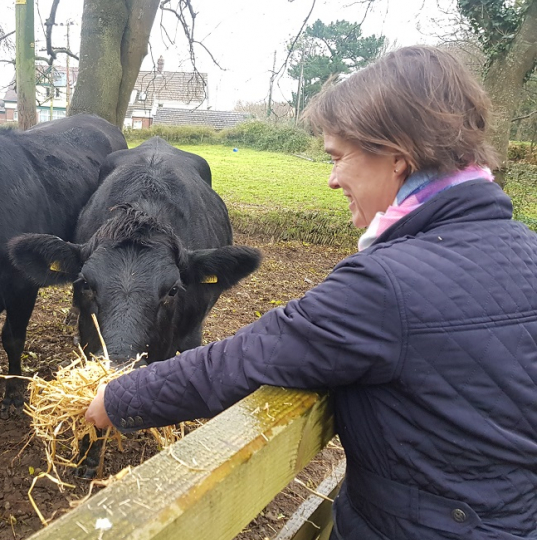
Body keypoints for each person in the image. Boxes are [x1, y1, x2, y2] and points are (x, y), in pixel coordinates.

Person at [85, 45, 537, 540]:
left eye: (340, 158)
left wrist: (118, 395)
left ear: (399, 160)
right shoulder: (526, 248)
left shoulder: (385, 284)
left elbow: (244, 359)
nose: (332, 179)